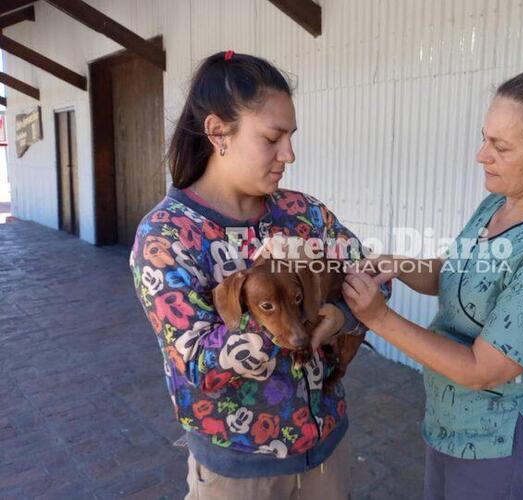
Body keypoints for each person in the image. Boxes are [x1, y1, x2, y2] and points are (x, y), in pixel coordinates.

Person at [342, 66, 523, 499]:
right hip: (453, 423)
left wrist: (378, 319)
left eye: (501, 146)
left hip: (505, 440)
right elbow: (457, 274)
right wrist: (399, 264)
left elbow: (481, 370)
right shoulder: (498, 204)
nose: (481, 155)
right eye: (485, 137)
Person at [129, 51, 388, 500]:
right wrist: (274, 300)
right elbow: (197, 366)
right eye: (273, 137)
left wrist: (340, 317)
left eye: (290, 136)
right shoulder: (167, 236)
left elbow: (372, 276)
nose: (289, 153)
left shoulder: (302, 213)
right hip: (238, 468)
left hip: (326, 447)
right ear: (217, 133)